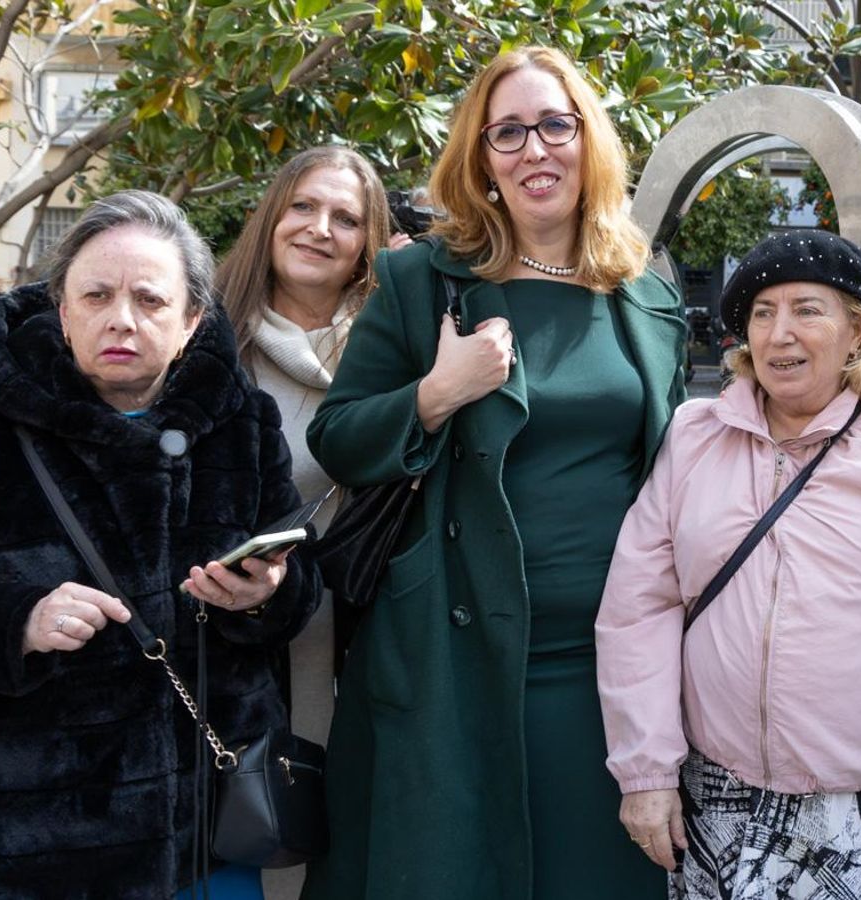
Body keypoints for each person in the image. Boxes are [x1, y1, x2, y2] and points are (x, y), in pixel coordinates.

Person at [0, 190, 320, 899]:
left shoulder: (239, 421)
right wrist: (18, 622)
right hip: (28, 846)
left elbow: (298, 583)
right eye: (95, 295)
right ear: (63, 311)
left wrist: (267, 594)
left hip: (204, 839)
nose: (120, 318)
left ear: (192, 320)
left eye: (149, 301)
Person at [303, 45, 687, 900]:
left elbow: (669, 474)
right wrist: (437, 394)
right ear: (479, 160)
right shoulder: (418, 281)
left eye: (555, 124)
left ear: (590, 142)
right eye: (505, 133)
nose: (533, 149)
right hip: (454, 655)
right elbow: (338, 438)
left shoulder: (646, 295)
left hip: (611, 669)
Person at [596, 229, 861, 899]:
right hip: (718, 802)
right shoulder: (694, 436)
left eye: (807, 310)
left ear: (856, 331)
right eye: (762, 314)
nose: (780, 334)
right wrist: (645, 772)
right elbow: (638, 610)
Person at [213, 144, 412, 900]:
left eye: (345, 218)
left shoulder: (397, 348)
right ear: (271, 217)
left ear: (369, 241)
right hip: (243, 645)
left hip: (369, 642)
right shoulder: (210, 342)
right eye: (302, 207)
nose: (319, 229)